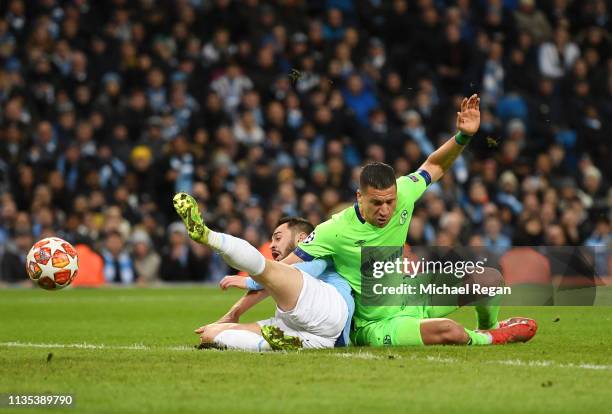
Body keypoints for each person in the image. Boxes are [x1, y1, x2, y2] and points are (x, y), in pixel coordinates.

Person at [210, 94, 537, 347]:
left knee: (490, 279)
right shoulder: (334, 230)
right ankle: (496, 339)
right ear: (359, 198)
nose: (386, 210)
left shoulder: (404, 193)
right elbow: (289, 267)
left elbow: (434, 166)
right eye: (377, 203)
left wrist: (463, 137)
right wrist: (248, 288)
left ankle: (488, 327)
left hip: (413, 295)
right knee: (449, 331)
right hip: (377, 323)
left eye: (390, 202)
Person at [173, 201, 354, 350]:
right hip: (308, 332)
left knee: (272, 271)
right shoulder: (284, 280)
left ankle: (209, 236)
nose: (272, 245)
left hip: (330, 312)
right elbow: (268, 284)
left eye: (278, 237)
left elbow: (303, 272)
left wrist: (250, 280)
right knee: (211, 335)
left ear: (301, 238)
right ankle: (276, 345)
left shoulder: (321, 253)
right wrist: (233, 314)